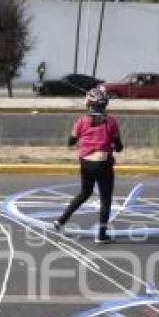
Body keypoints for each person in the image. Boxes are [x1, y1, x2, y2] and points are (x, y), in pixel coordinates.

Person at [52, 88, 123, 244]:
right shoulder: (111, 122)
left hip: (86, 163)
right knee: (105, 199)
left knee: (85, 193)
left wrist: (82, 138)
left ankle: (61, 221)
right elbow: (119, 147)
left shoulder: (82, 121)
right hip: (103, 163)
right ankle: (101, 235)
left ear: (89, 104)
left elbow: (70, 141)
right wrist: (111, 143)